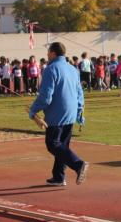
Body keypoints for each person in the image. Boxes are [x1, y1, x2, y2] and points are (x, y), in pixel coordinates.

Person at [29, 42, 88, 187]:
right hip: (71, 112)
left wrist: (33, 110)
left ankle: (78, 164)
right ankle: (59, 176)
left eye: (48, 52)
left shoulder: (50, 69)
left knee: (53, 144)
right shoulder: (73, 69)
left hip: (57, 113)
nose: (47, 55)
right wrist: (80, 110)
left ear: (53, 53)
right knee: (63, 146)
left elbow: (46, 96)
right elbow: (79, 92)